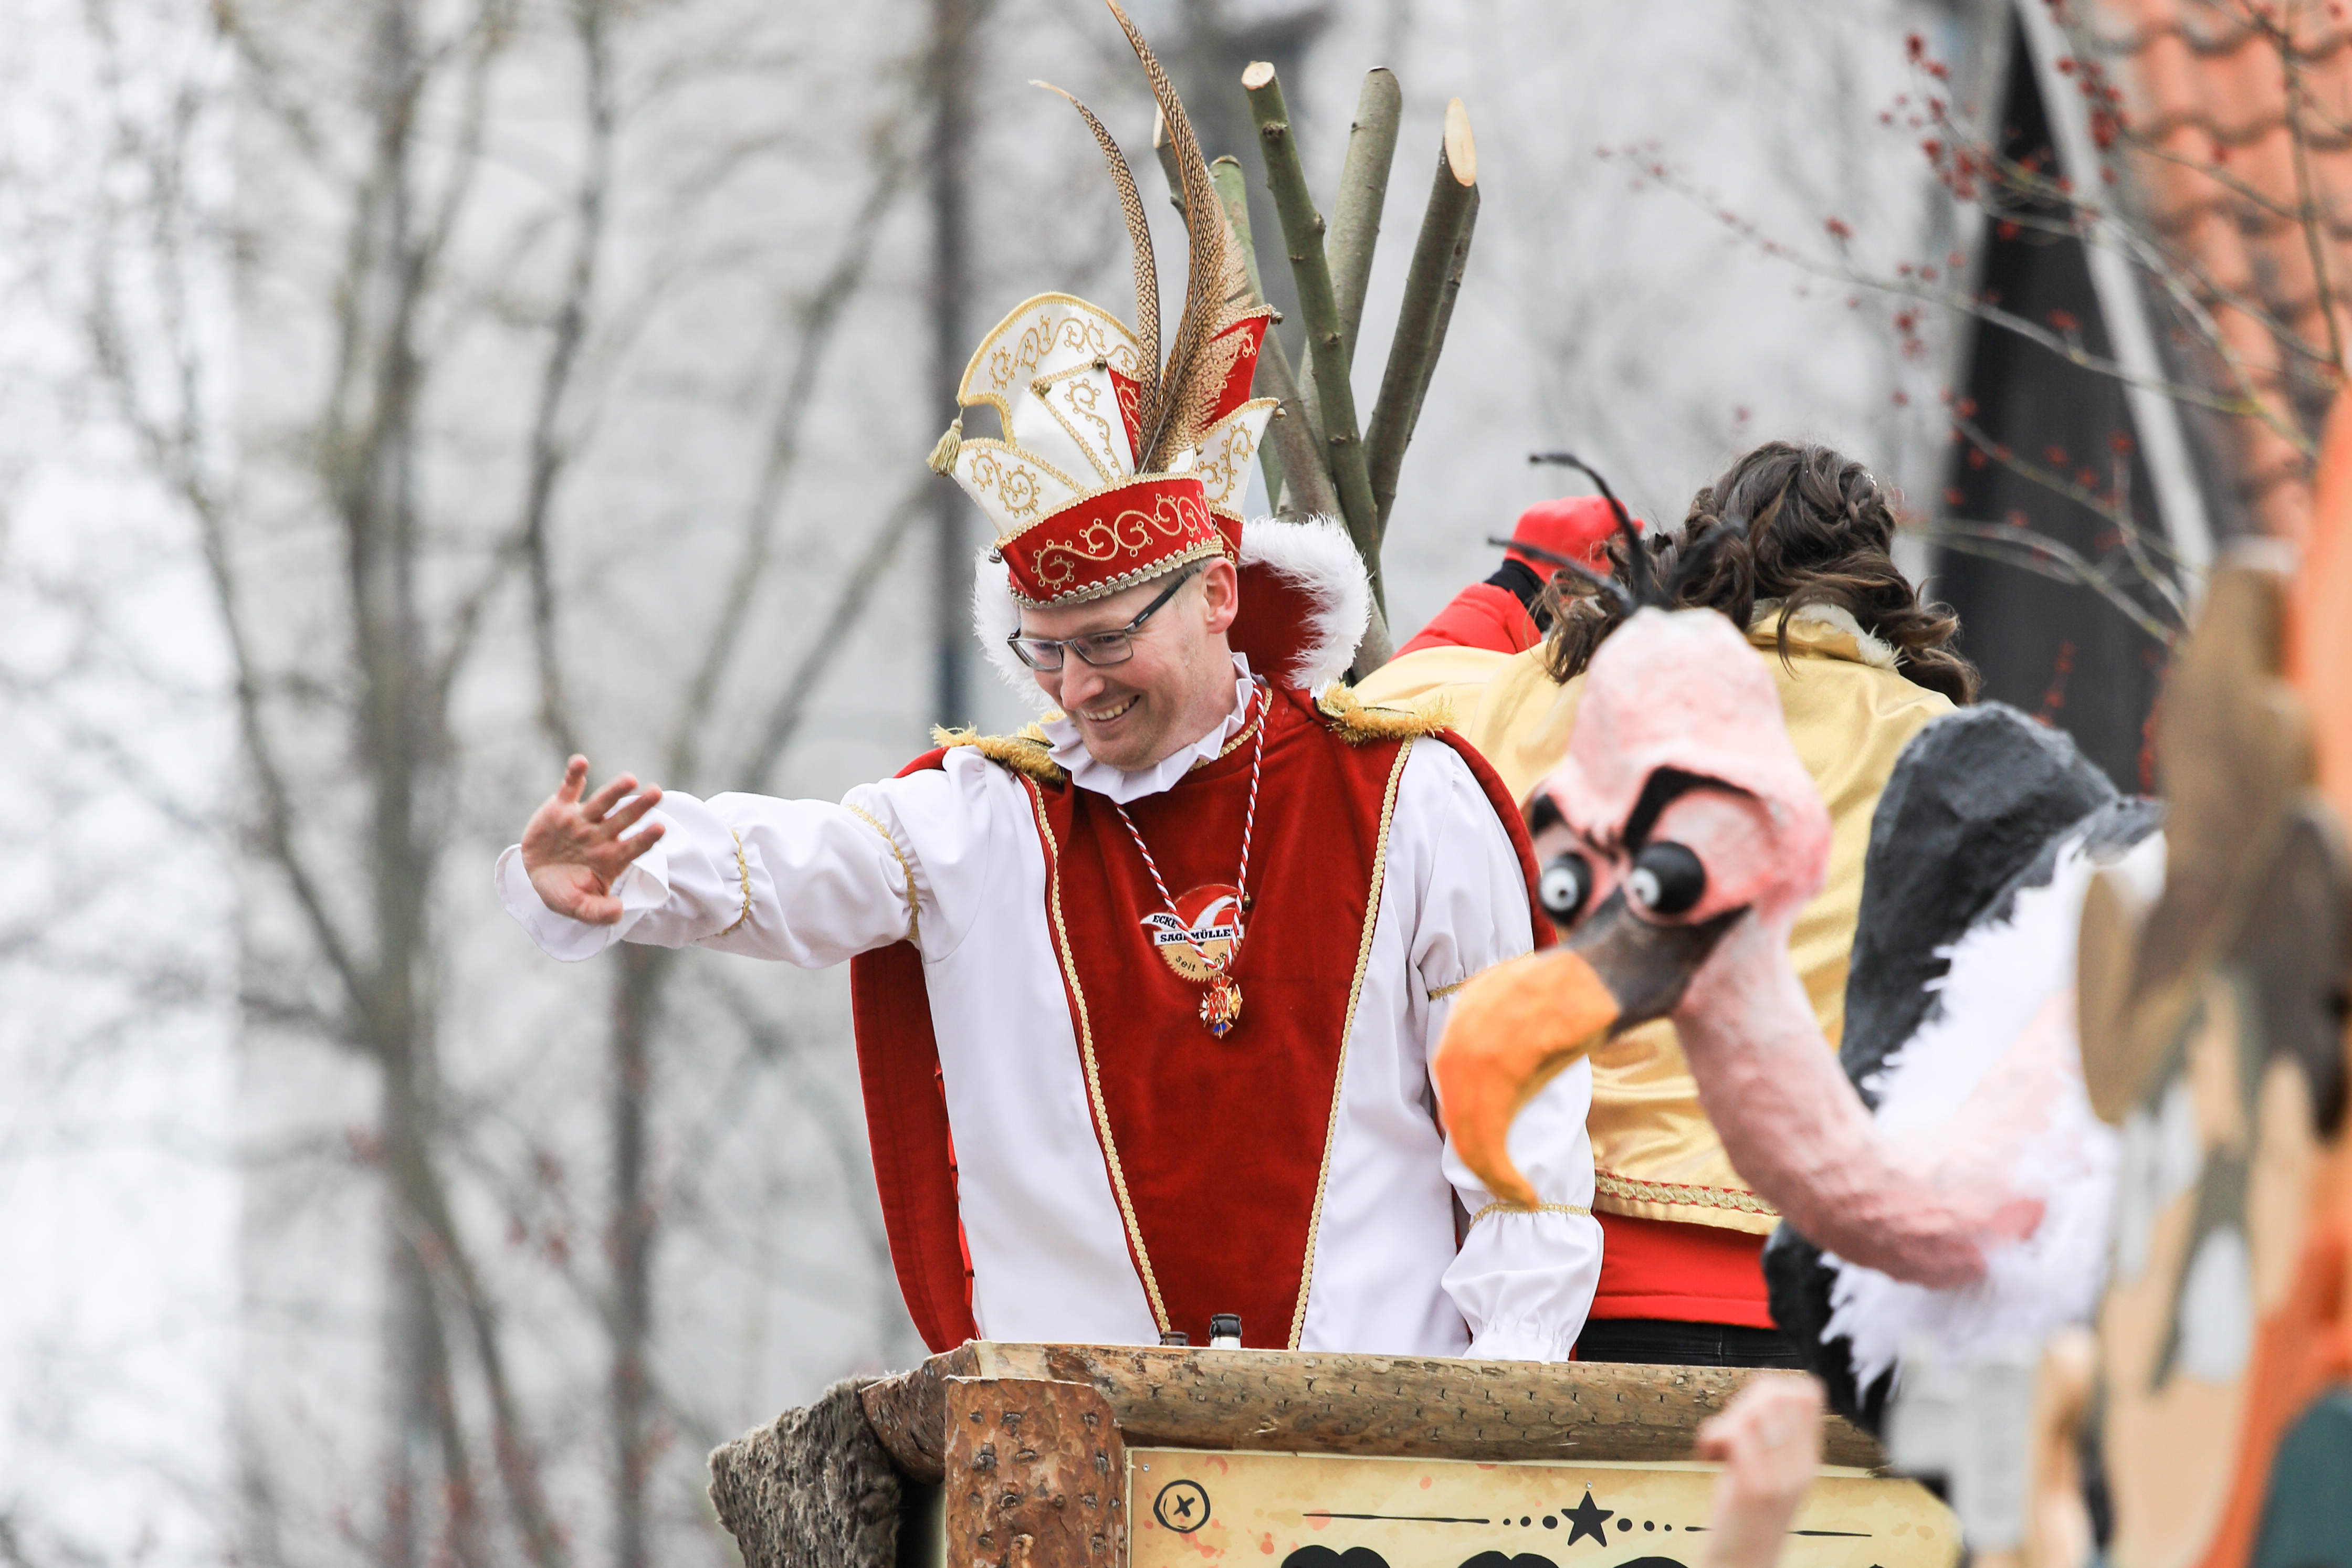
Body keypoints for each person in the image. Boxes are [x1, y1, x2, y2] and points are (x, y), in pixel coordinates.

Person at [497, 9, 1603, 1361]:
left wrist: (1499, 1405)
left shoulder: (1410, 800)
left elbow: (1522, 1131)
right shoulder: (983, 820)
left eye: (1104, 640)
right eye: (1042, 648)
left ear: (1215, 593)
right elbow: (796, 864)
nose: (1072, 687)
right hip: (1077, 1451)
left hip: (1364, 1445)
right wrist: (624, 871)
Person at [1358, 439, 1975, 1365]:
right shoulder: (1941, 746)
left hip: (1571, 1294)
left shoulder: (1561, 694)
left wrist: (1515, 586)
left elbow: (1372, 706)